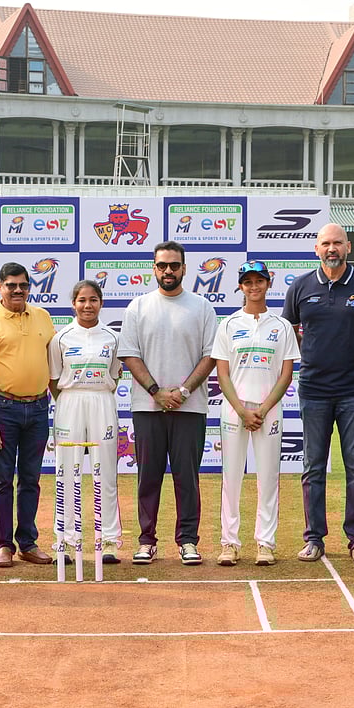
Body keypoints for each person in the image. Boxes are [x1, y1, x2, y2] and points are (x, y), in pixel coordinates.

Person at [282, 223, 354, 564]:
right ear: (316, 249)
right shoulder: (300, 286)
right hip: (313, 391)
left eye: (337, 243)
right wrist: (313, 353)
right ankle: (314, 538)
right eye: (326, 243)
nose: (332, 249)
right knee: (313, 466)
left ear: (349, 247)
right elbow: (289, 334)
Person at [119, 241, 217, 566]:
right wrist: (156, 391)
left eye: (174, 265)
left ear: (185, 268)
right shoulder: (138, 306)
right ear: (154, 268)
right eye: (162, 266)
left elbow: (210, 356)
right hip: (148, 407)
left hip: (189, 407)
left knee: (186, 477)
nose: (168, 271)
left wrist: (184, 391)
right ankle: (147, 540)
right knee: (148, 476)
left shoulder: (202, 307)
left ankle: (188, 540)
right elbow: (129, 354)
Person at [211, 260, 299, 566]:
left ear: (267, 283)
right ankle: (229, 543)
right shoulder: (229, 324)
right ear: (240, 286)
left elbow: (286, 374)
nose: (253, 287)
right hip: (235, 410)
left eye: (258, 281)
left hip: (269, 411)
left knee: (267, 478)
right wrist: (242, 409)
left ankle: (265, 543)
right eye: (247, 282)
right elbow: (222, 375)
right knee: (231, 477)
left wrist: (261, 409)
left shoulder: (281, 325)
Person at [0, 262, 57, 568]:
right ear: (0, 287)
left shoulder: (43, 317)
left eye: (23, 285)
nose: (18, 290)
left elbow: (52, 368)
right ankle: (3, 544)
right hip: (3, 409)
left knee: (31, 479)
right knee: (3, 480)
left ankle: (27, 542)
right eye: (11, 285)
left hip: (38, 408)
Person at [48, 280, 124, 564]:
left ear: (101, 303)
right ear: (73, 304)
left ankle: (108, 541)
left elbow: (115, 375)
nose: (87, 305)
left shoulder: (112, 337)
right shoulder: (61, 337)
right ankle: (65, 541)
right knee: (66, 471)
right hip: (69, 401)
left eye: (93, 300)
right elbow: (54, 380)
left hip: (102, 400)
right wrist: (71, 397)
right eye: (81, 300)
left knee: (105, 471)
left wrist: (97, 392)